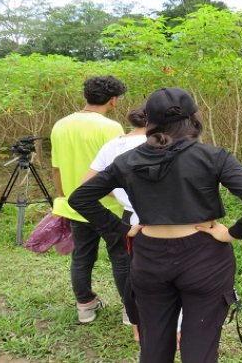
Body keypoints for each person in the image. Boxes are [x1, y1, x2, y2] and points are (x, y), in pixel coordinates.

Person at [69, 87, 242, 363]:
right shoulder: (214, 157)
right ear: (194, 119)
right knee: (199, 351)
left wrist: (120, 229)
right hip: (205, 258)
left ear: (149, 121)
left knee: (153, 347)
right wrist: (231, 233)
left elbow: (80, 197)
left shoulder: (127, 161)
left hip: (149, 257)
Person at [50, 75, 129, 324]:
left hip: (76, 204)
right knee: (121, 257)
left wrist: (64, 195)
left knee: (82, 256)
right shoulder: (111, 128)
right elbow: (119, 170)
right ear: (113, 100)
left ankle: (85, 306)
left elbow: (56, 168)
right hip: (109, 207)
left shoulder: (60, 125)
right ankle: (130, 310)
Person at [82, 107, 147, 341]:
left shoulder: (114, 145)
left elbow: (86, 183)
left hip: (129, 216)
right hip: (164, 218)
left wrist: (119, 193)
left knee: (124, 263)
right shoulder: (166, 143)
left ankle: (131, 313)